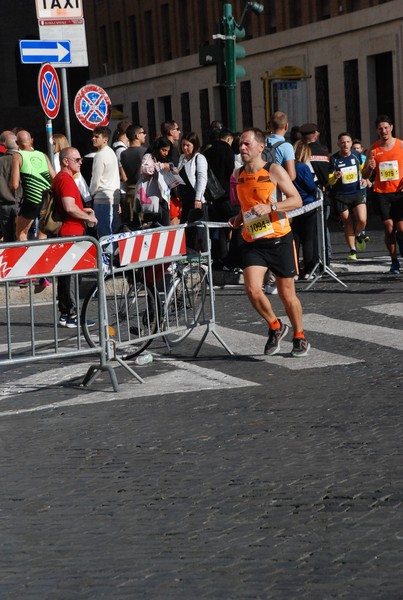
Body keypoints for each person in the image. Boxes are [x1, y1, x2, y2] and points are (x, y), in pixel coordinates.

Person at [228, 128, 310, 358]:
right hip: (253, 240)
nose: (242, 148)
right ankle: (275, 326)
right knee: (253, 289)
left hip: (279, 239)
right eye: (240, 144)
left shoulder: (274, 171)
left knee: (286, 295)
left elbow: (296, 199)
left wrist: (272, 207)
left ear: (260, 147)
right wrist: (238, 218)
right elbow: (248, 206)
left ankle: (299, 336)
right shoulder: (238, 174)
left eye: (246, 144)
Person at [53, 147, 97, 327]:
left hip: (68, 231)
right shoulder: (66, 179)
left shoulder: (59, 178)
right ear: (66, 161)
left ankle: (66, 313)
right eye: (77, 160)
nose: (80, 162)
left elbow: (69, 207)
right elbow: (69, 207)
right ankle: (70, 314)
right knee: (71, 276)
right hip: (71, 232)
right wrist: (89, 217)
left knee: (66, 275)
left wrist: (83, 209)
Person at [362, 114, 403, 274]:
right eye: (380, 129)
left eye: (386, 128)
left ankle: (400, 242)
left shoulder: (400, 146)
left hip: (399, 192)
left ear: (391, 128)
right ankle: (394, 261)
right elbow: (365, 175)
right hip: (381, 193)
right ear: (377, 131)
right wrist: (370, 168)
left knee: (401, 227)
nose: (384, 131)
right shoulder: (373, 149)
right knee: (388, 227)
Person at [10, 129, 55, 241]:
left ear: (17, 143)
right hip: (46, 198)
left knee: (21, 233)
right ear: (32, 141)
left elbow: (14, 185)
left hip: (31, 199)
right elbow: (54, 177)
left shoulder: (18, 156)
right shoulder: (43, 155)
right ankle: (42, 255)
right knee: (42, 233)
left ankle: (26, 258)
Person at [328, 132, 367, 260]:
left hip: (357, 192)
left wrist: (364, 180)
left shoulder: (357, 155)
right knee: (347, 222)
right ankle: (352, 250)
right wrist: (335, 176)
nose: (345, 145)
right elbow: (330, 181)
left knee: (362, 219)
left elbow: (363, 171)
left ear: (351, 143)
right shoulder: (334, 159)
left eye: (348, 142)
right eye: (343, 142)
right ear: (338, 144)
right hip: (341, 195)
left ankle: (358, 233)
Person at [300, 122, 332, 265]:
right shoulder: (324, 151)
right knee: (323, 230)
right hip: (323, 194)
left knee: (310, 234)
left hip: (306, 196)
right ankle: (326, 260)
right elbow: (330, 174)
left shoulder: (301, 153)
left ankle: (314, 262)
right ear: (316, 134)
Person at [203, 128, 235, 268]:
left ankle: (219, 259)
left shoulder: (207, 152)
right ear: (228, 139)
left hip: (213, 195)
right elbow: (231, 170)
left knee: (219, 229)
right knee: (234, 225)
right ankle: (233, 258)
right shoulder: (227, 150)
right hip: (226, 193)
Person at [292, 140, 319, 278]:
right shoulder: (303, 167)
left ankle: (295, 270)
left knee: (295, 239)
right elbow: (311, 186)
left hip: (293, 206)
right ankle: (309, 269)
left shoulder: (289, 167)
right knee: (308, 239)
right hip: (308, 205)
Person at [178, 132, 208, 251]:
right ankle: (188, 258)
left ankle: (205, 256)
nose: (185, 148)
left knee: (200, 231)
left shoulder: (199, 158)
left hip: (196, 199)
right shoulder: (182, 159)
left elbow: (202, 178)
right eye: (183, 145)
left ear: (194, 145)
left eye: (188, 145)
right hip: (185, 200)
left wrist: (198, 198)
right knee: (186, 230)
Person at [89, 125, 120, 239]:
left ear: (105, 139)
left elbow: (96, 179)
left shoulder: (100, 155)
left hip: (102, 197)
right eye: (93, 136)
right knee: (113, 231)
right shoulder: (111, 152)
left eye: (97, 137)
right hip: (114, 196)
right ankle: (113, 256)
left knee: (104, 233)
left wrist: (91, 193)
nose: (93, 139)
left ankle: (106, 256)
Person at [140, 136, 173, 227]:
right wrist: (161, 166)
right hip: (151, 197)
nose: (165, 153)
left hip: (164, 198)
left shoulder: (165, 159)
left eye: (167, 151)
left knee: (165, 226)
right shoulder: (149, 157)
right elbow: (145, 169)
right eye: (163, 150)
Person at [120, 124, 147, 228]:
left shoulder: (123, 154)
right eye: (143, 133)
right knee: (145, 226)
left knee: (132, 226)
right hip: (144, 192)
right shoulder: (145, 152)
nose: (145, 135)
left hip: (130, 192)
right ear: (137, 135)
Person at [0, 133, 21, 242]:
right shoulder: (22, 160)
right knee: (21, 237)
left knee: (8, 239)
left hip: (4, 204)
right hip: (20, 204)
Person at [352, 138, 371, 242]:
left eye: (357, 148)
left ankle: (362, 232)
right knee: (356, 213)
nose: (356, 150)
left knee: (363, 212)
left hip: (362, 189)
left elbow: (365, 172)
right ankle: (357, 231)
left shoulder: (364, 158)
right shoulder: (349, 158)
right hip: (352, 189)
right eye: (354, 148)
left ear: (361, 149)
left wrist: (367, 180)